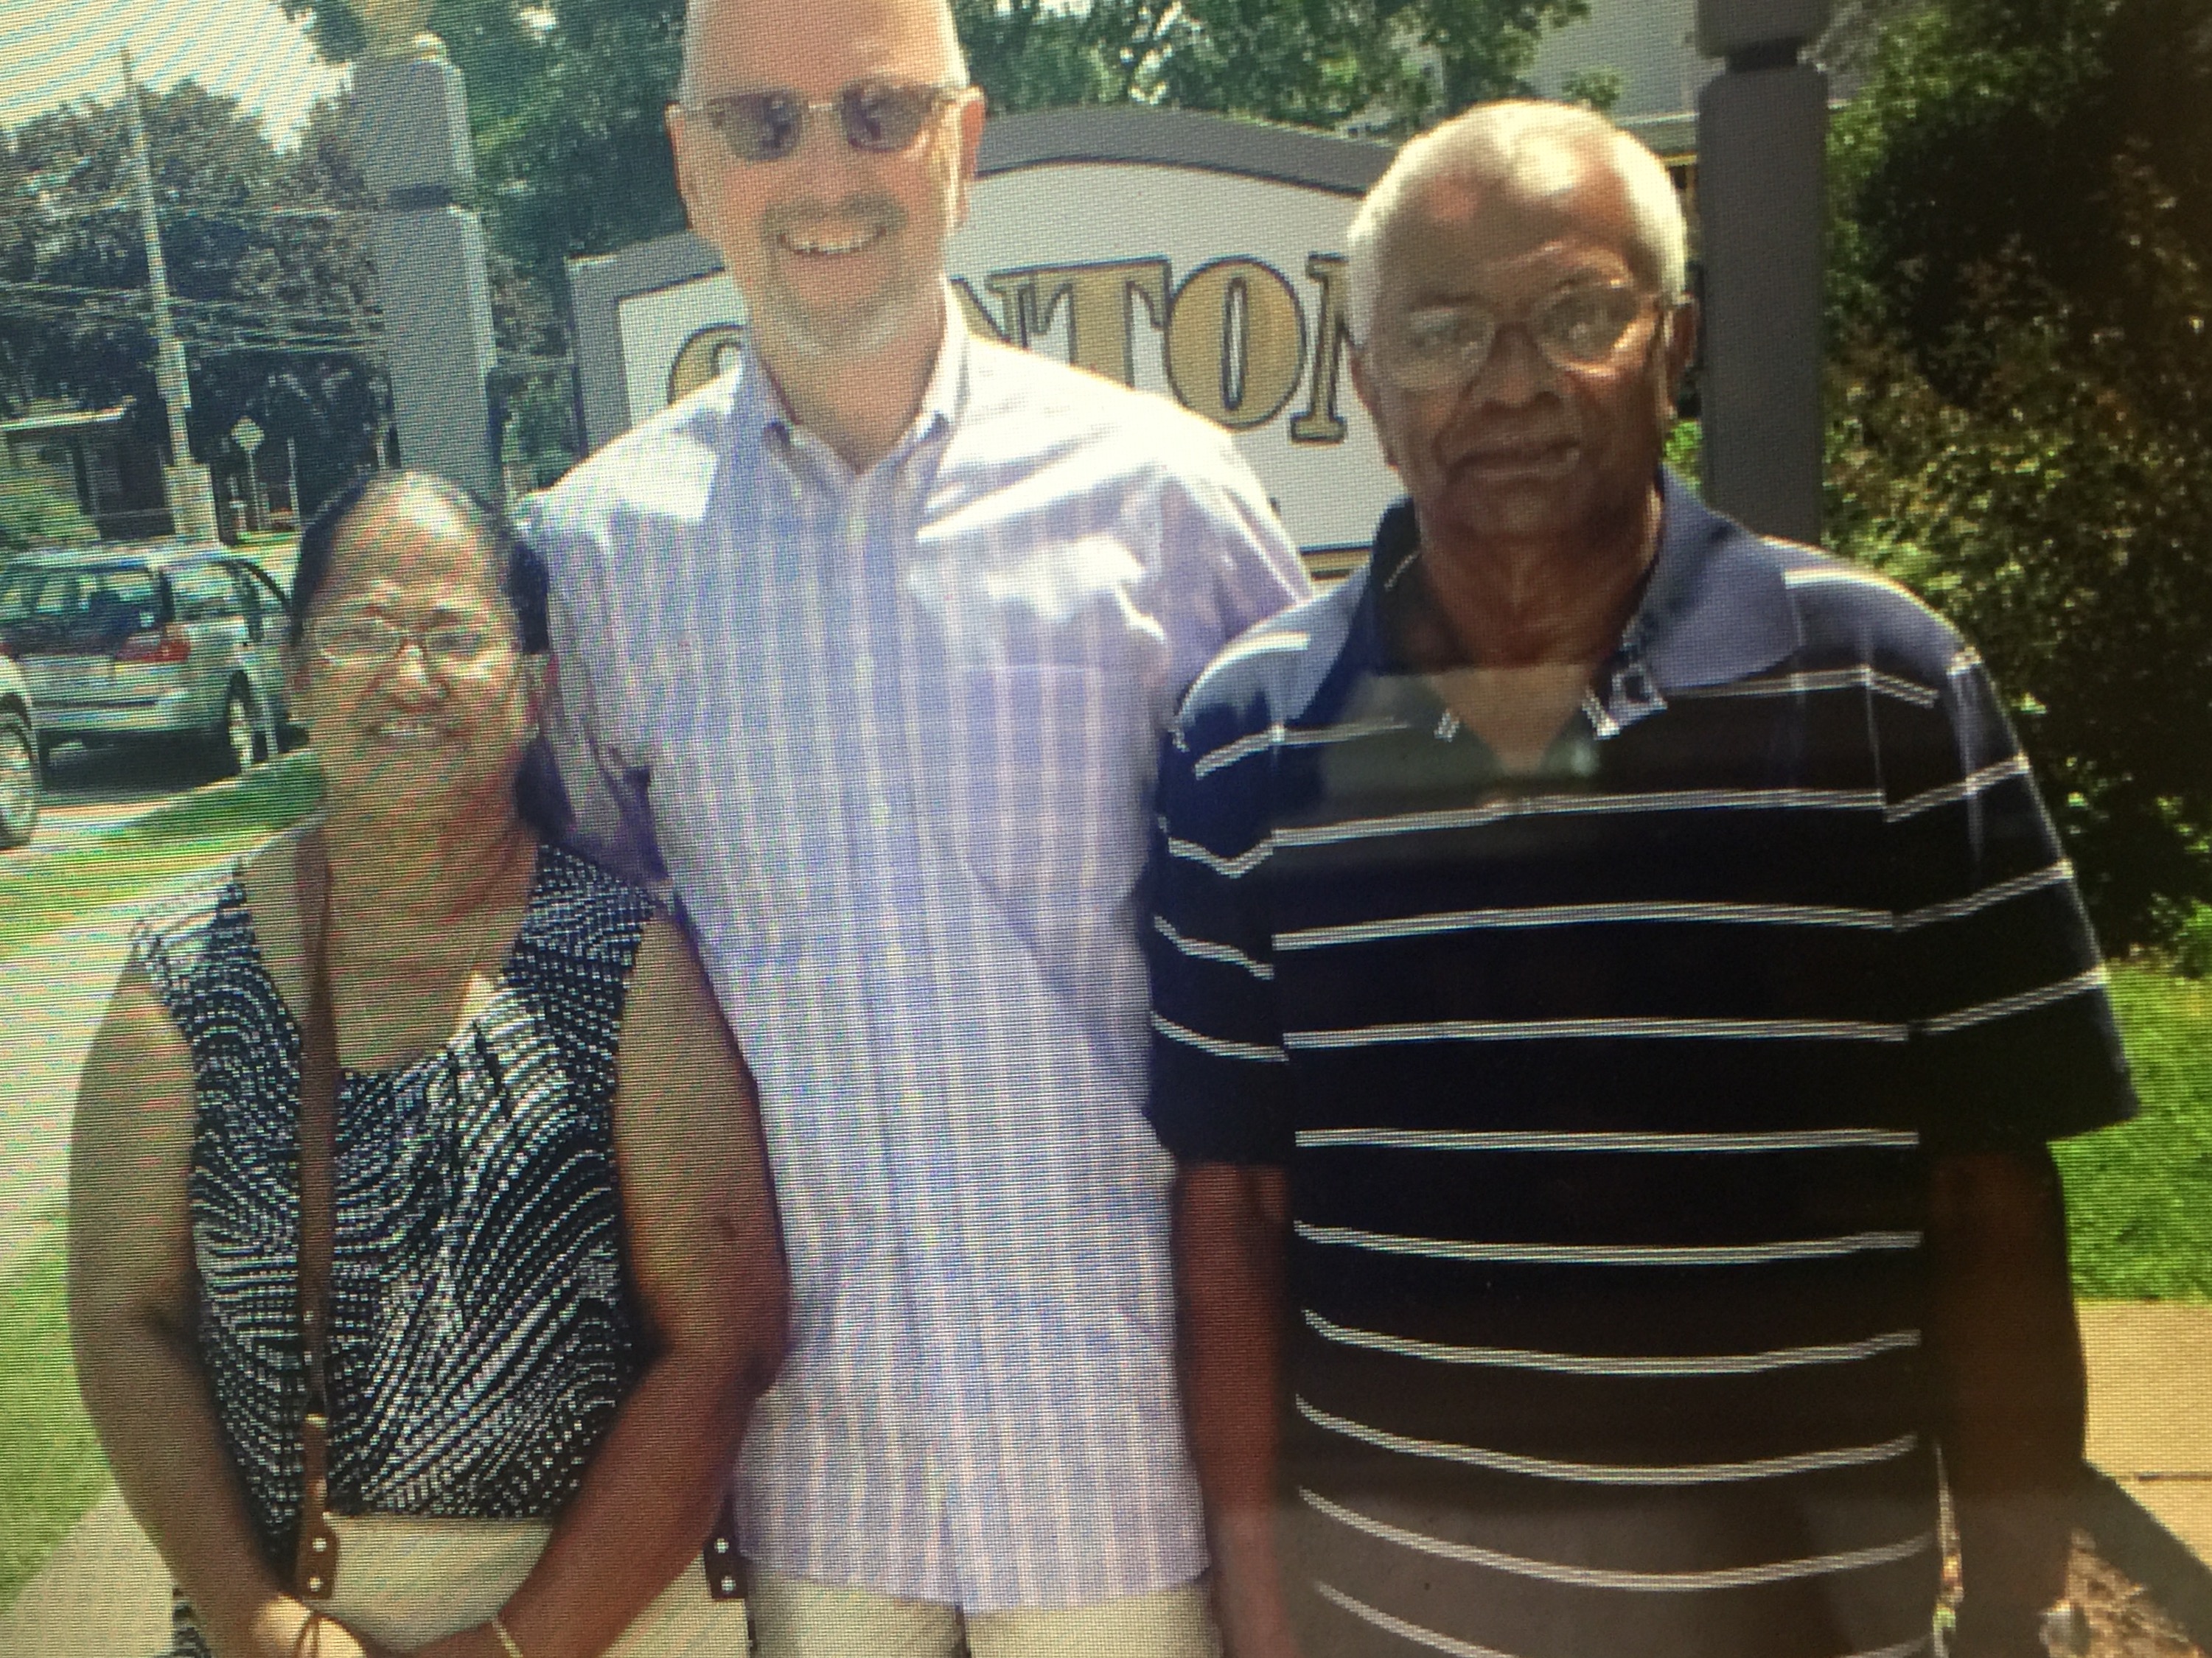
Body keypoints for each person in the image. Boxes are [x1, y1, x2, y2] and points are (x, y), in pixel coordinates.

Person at [1148, 100, 2136, 1658]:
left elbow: (1994, 1206)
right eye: (1442, 332)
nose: (1513, 381)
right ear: (1366, 388)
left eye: (1578, 313)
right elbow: (1236, 1213)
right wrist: (1264, 1620)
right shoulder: (1248, 736)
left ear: (1671, 347)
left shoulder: (1887, 694)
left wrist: (2018, 1611)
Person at [519, 0, 1311, 1650]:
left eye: (879, 112)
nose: (826, 167)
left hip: (1117, 1445)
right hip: (807, 1465)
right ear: (690, 166)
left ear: (961, 143)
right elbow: (596, 1007)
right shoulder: (597, 560)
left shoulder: (1165, 499)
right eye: (763, 124)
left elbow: (1304, 964)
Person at [69, 470, 790, 1658]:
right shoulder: (185, 974)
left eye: (456, 636)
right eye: (358, 633)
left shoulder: (628, 966)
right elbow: (122, 1316)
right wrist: (256, 1618)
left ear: (535, 686)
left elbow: (724, 1340)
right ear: (295, 671)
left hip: (591, 1628)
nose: (408, 678)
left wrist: (518, 1643)